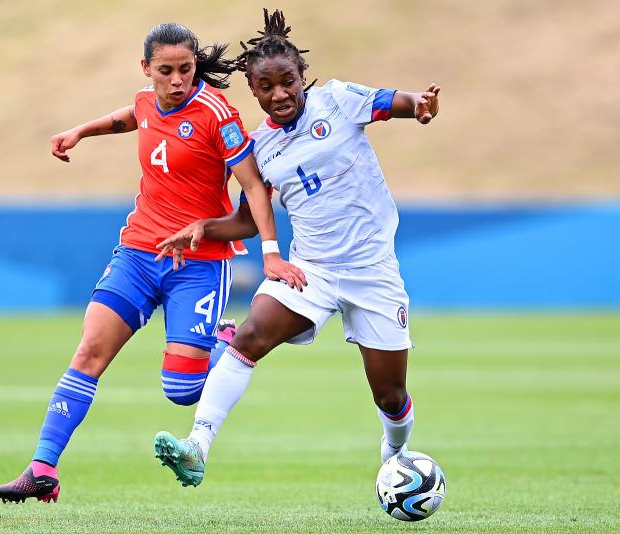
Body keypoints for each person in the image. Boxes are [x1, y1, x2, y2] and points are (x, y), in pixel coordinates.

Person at [0, 21, 305, 504]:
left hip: (199, 263)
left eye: (186, 69)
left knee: (180, 390)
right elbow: (131, 117)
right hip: (139, 252)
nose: (178, 79)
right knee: (89, 351)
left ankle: (228, 341)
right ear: (147, 69)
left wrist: (269, 253)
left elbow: (254, 188)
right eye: (166, 70)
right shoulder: (146, 100)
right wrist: (81, 130)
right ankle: (42, 469)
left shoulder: (217, 115)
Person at [151, 9, 441, 488]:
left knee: (390, 395)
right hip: (310, 270)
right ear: (254, 91)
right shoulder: (260, 147)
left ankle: (396, 458)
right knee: (249, 338)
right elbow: (249, 218)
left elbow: (395, 101)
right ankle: (197, 446)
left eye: (288, 82)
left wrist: (420, 105)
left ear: (303, 76)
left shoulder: (339, 100)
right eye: (266, 87)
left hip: (373, 271)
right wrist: (204, 227)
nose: (280, 94)